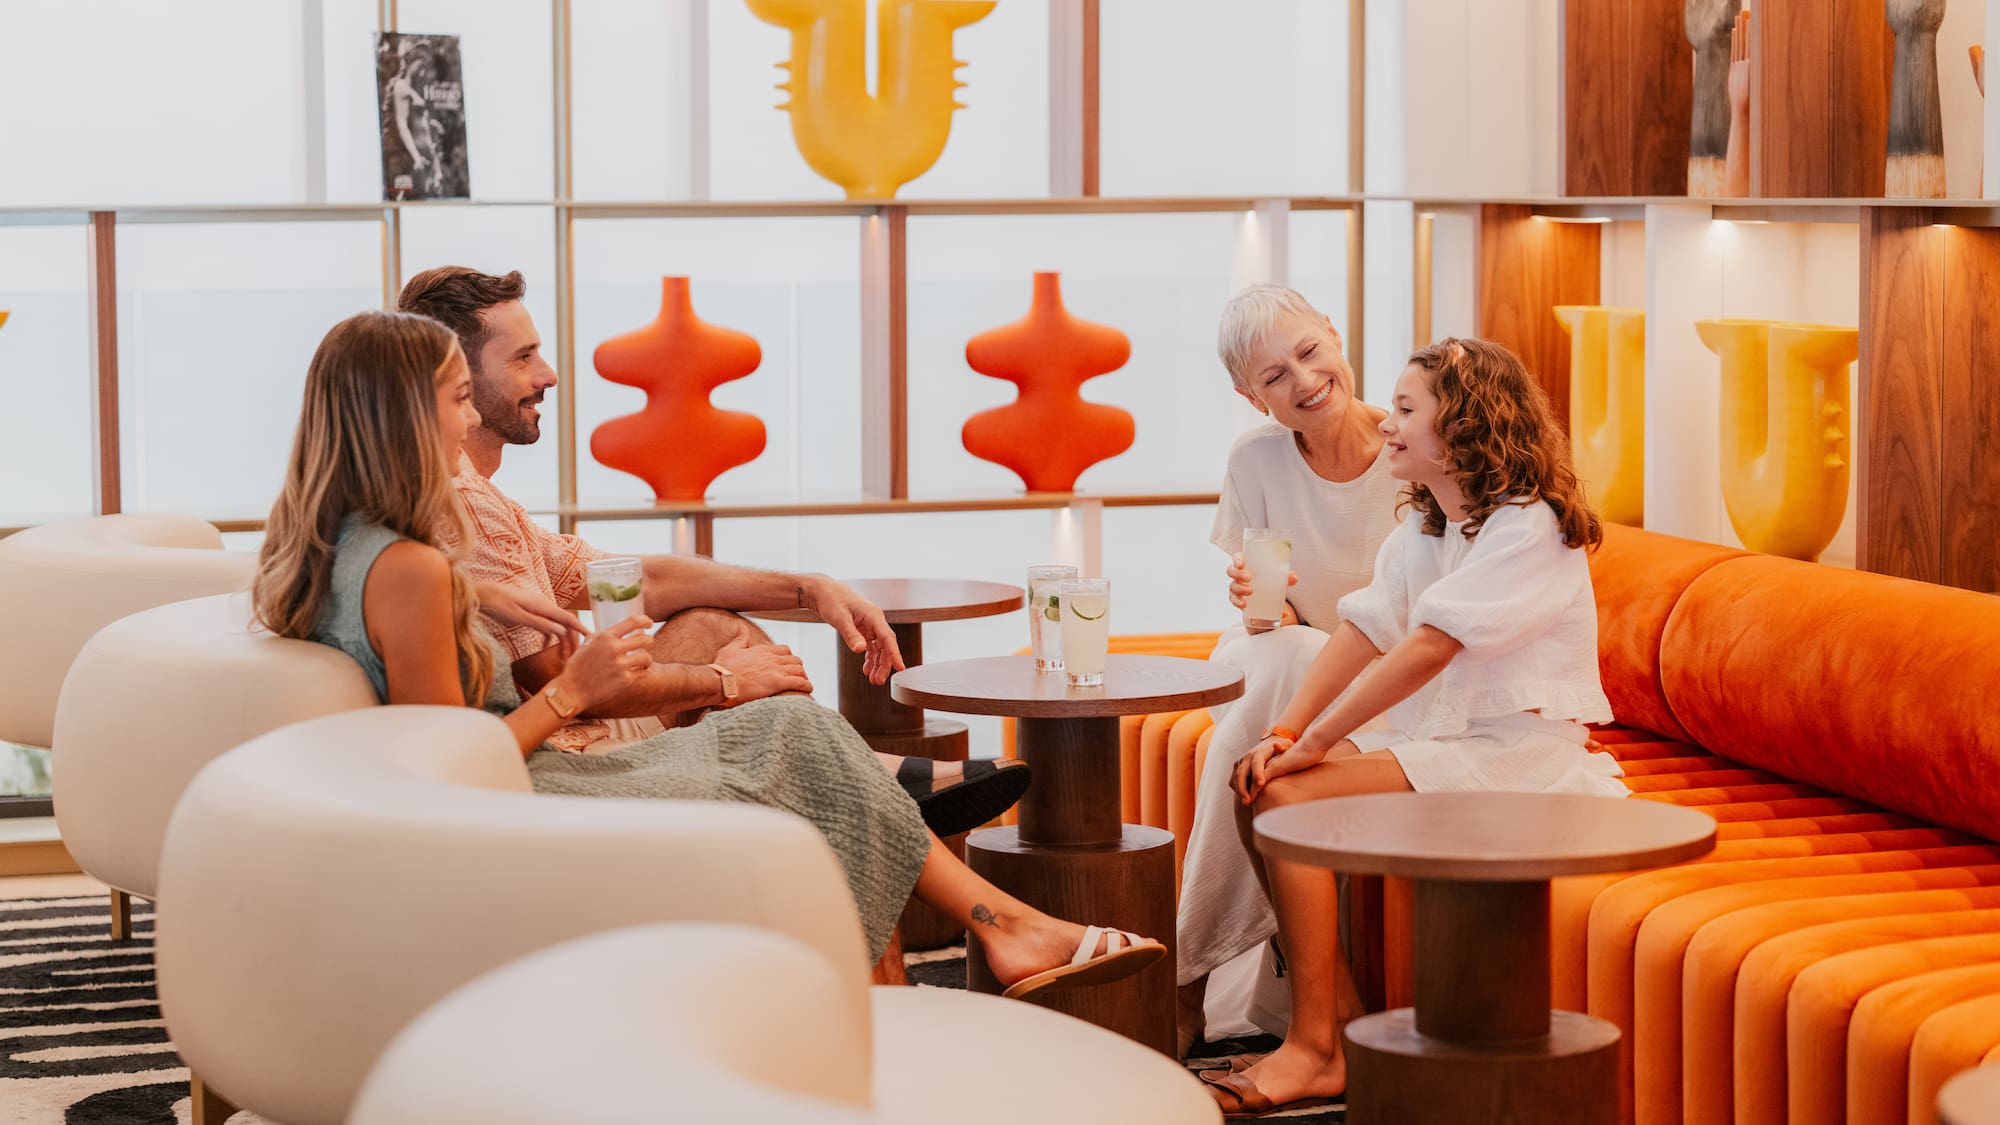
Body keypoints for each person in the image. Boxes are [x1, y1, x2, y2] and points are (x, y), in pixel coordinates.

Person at [250, 309, 1165, 997]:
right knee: (798, 741)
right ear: (404, 414)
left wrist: (477, 592)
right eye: (456, 401)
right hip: (531, 797)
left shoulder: (330, 542)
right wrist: (572, 692)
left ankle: (969, 913)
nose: (464, 433)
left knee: (793, 732)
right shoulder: (408, 566)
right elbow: (448, 776)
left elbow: (560, 596)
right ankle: (982, 920)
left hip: (522, 776)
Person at [396, 266, 1027, 839]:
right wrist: (726, 682)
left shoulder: (481, 496)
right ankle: (878, 787)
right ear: (457, 378)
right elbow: (563, 681)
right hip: (569, 757)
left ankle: (875, 780)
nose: (549, 375)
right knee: (776, 711)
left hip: (578, 727)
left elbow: (621, 578)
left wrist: (806, 588)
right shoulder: (459, 504)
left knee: (714, 625)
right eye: (524, 358)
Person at [1199, 337, 1625, 1117]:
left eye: (1404, 410)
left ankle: (1315, 1045)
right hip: (1446, 744)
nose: (1384, 425)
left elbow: (1431, 643)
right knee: (1257, 783)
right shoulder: (1427, 528)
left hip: (1516, 757)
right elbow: (1362, 630)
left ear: (1463, 426)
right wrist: (1287, 734)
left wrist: (1320, 743)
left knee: (1286, 800)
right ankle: (1335, 1031)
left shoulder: (1528, 526)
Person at [1177, 284, 1404, 1055]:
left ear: (1335, 335)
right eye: (1274, 376)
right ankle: (1202, 971)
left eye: (1309, 352)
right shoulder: (1257, 460)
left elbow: (1420, 629)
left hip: (1389, 689)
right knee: (1283, 653)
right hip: (1289, 671)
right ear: (1250, 396)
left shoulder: (1412, 450)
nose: (1303, 380)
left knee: (1255, 720)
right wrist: (1254, 602)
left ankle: (1186, 973)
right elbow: (1265, 620)